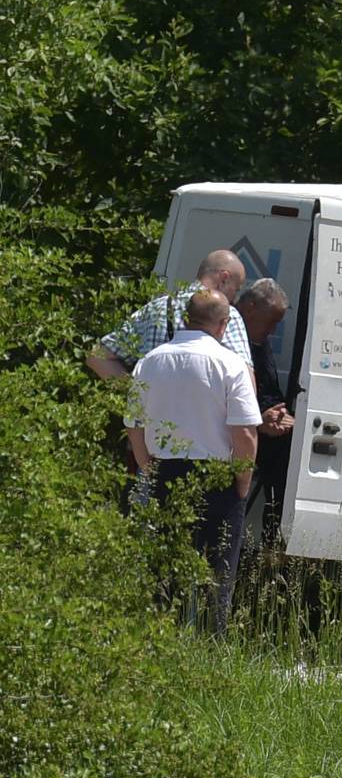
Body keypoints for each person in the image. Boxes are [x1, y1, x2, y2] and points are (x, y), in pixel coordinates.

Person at [124, 287, 260, 636]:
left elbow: (133, 424)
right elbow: (245, 433)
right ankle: (210, 644)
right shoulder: (230, 364)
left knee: (164, 564)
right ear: (223, 325)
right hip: (217, 475)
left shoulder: (150, 361)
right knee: (218, 569)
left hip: (164, 471)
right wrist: (242, 482)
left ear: (187, 318)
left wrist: (146, 466)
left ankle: (158, 638)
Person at [88, 247, 254, 385]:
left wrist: (136, 396)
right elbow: (244, 377)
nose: (235, 298)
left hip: (152, 420)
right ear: (223, 278)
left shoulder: (155, 307)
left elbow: (97, 357)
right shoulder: (225, 313)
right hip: (202, 421)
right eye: (236, 289)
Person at [235, 276, 297, 530]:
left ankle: (276, 540)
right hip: (237, 434)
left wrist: (281, 414)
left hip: (264, 426)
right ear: (250, 307)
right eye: (271, 322)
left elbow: (268, 388)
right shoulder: (228, 338)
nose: (273, 330)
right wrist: (261, 420)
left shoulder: (259, 341)